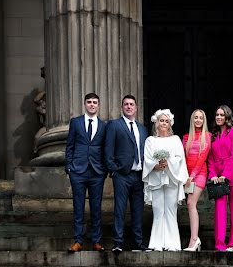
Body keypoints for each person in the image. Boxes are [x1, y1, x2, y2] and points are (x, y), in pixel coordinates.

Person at [104, 94, 149, 252]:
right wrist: (114, 170)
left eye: (131, 104)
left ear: (136, 108)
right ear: (122, 107)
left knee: (138, 210)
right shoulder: (114, 125)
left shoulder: (142, 129)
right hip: (122, 175)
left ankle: (137, 243)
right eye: (126, 104)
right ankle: (118, 243)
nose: (129, 107)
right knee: (120, 209)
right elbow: (108, 150)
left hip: (139, 175)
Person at [65, 92, 108, 252]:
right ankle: (78, 241)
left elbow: (105, 149)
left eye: (94, 102)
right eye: (89, 102)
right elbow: (70, 145)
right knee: (78, 207)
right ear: (84, 104)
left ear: (98, 105)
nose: (91, 104)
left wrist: (104, 169)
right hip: (78, 171)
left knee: (96, 207)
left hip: (97, 172)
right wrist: (69, 166)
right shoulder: (75, 122)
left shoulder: (104, 126)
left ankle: (96, 241)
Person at [142, 109, 188, 251]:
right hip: (156, 178)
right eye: (161, 120)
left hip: (171, 178)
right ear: (156, 123)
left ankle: (172, 244)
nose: (163, 123)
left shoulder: (175, 140)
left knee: (170, 210)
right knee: (158, 210)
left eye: (166, 121)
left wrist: (169, 163)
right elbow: (147, 158)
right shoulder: (150, 140)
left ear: (170, 124)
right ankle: (156, 243)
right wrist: (155, 165)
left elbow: (179, 158)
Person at [208, 104, 233, 252]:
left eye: (222, 115)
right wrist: (212, 175)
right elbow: (210, 159)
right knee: (219, 212)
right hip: (218, 179)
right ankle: (220, 245)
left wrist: (226, 175)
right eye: (217, 115)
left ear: (227, 117)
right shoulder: (213, 135)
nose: (218, 117)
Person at [181, 108, 211, 251]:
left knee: (191, 202)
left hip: (199, 174)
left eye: (201, 118)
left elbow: (202, 159)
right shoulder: (186, 137)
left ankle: (194, 240)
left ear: (204, 120)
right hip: (187, 176)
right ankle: (194, 240)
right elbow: (182, 158)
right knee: (190, 204)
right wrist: (184, 176)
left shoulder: (207, 136)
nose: (198, 120)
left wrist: (191, 176)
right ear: (192, 120)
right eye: (196, 118)